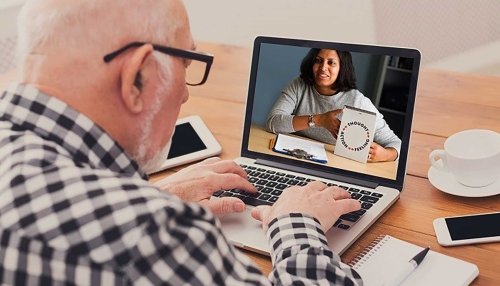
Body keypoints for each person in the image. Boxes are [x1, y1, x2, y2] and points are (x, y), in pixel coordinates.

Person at [0, 0, 363, 285]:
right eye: (186, 66)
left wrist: (149, 196)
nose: (186, 94)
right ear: (137, 77)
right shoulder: (150, 234)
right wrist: (295, 221)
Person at [266, 48, 401, 162]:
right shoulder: (299, 85)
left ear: (342, 68)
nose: (323, 68)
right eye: (318, 61)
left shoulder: (357, 101)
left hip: (334, 166)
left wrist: (386, 155)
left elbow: (395, 143)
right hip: (295, 158)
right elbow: (273, 122)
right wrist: (319, 120)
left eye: (331, 63)